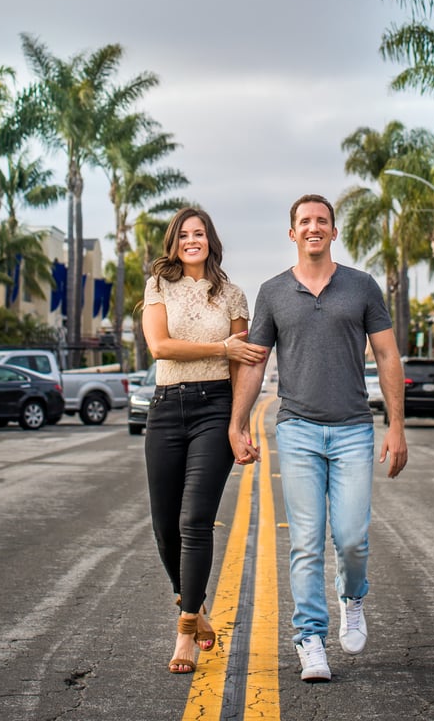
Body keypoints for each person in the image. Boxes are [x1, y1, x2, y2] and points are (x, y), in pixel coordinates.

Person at [229, 193, 408, 683]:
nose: (313, 227)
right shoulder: (273, 292)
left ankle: (352, 596)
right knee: (306, 542)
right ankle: (310, 638)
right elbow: (255, 362)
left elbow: (387, 356)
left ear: (333, 231)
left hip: (353, 429)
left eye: (321, 220)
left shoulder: (362, 286)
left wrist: (396, 426)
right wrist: (237, 424)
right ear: (292, 233)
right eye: (305, 221)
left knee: (351, 539)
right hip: (298, 429)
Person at [142, 206, 267, 674]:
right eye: (183, 235)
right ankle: (195, 606)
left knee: (194, 520)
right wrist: (220, 346)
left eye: (199, 233)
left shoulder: (233, 294)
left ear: (210, 240)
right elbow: (159, 346)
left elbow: (240, 363)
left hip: (214, 408)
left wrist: (240, 424)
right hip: (165, 407)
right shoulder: (158, 286)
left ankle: (185, 632)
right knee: (164, 526)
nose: (191, 240)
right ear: (174, 243)